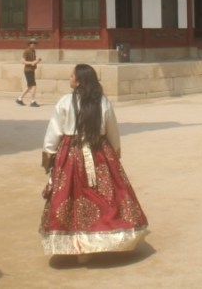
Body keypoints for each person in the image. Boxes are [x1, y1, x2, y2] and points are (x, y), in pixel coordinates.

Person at [39, 63, 149, 259]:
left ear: (79, 80)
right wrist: (114, 153)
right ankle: (106, 234)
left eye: (71, 76)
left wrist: (49, 154)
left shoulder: (64, 102)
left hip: (70, 154)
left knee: (69, 196)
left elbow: (54, 131)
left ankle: (73, 242)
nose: (69, 78)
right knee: (107, 195)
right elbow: (111, 129)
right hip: (99, 152)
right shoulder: (102, 102)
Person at [16, 39, 42, 107]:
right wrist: (31, 63)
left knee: (29, 86)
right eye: (32, 43)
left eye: (35, 43)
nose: (33, 44)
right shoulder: (27, 51)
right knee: (33, 86)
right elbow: (22, 61)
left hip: (32, 70)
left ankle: (19, 99)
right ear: (29, 44)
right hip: (28, 70)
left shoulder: (33, 51)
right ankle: (32, 101)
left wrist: (37, 61)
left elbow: (33, 62)